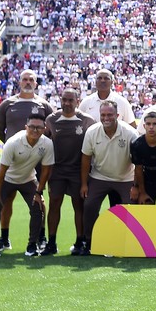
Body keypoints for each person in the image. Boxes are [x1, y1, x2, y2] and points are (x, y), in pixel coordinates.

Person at [0, 69, 54, 250]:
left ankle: (40, 236)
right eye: (25, 79)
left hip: (37, 161)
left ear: (36, 83)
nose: (28, 82)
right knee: (7, 199)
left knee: (39, 199)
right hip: (14, 160)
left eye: (31, 80)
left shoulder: (44, 105)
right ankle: (4, 237)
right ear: (19, 82)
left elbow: (49, 130)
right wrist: (15, 149)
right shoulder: (7, 104)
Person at [0, 113, 54, 258]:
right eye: (32, 127)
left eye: (39, 127)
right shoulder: (13, 142)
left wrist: (39, 193)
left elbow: (46, 171)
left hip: (28, 178)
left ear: (44, 128)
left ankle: (32, 246)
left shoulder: (47, 144)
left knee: (37, 207)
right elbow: (2, 170)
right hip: (5, 178)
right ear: (26, 127)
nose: (35, 130)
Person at [79, 100, 139, 255]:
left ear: (117, 115)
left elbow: (138, 163)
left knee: (131, 210)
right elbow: (86, 159)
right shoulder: (92, 132)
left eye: (110, 115)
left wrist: (136, 186)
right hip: (100, 176)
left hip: (125, 178)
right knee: (89, 206)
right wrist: (84, 184)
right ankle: (90, 241)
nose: (106, 118)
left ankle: (127, 243)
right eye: (103, 115)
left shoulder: (130, 133)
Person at [43, 87, 95, 256]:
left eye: (70, 100)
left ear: (77, 101)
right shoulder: (51, 119)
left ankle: (80, 241)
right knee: (54, 204)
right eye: (64, 99)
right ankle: (51, 242)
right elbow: (45, 142)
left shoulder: (87, 120)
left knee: (78, 206)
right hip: (57, 170)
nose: (66, 103)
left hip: (78, 171)